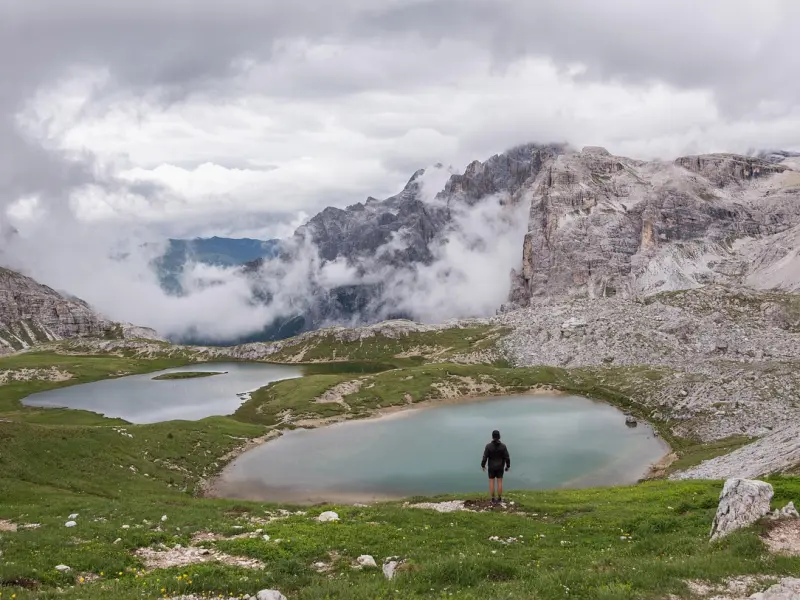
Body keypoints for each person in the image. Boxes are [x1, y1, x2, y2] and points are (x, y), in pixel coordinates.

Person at [481, 429, 510, 503]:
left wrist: (483, 465)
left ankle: (493, 499)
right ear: (499, 436)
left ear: (492, 436)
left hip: (491, 467)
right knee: (499, 482)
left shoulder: (488, 446)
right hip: (500, 467)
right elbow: (507, 457)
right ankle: (500, 498)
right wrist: (507, 466)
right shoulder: (503, 446)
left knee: (491, 482)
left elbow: (485, 457)